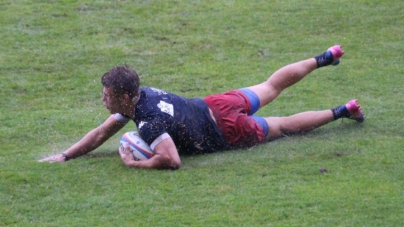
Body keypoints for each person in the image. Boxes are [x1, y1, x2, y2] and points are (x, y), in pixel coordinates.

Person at [39, 45, 365, 170]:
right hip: (216, 105)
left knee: (282, 125)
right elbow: (100, 133)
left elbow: (173, 160)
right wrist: (68, 154)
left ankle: (343, 110)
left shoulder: (148, 124)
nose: (103, 99)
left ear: (124, 97)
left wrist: (136, 163)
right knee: (270, 86)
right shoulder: (144, 95)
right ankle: (325, 57)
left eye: (107, 95)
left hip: (227, 131)